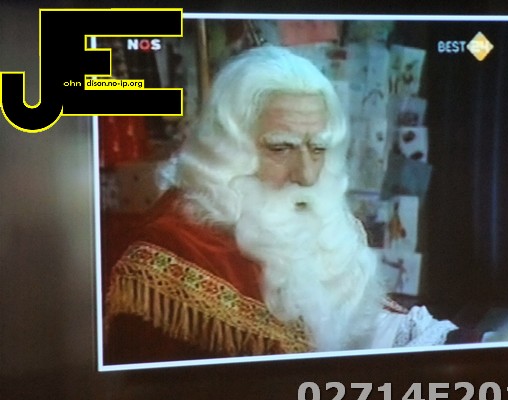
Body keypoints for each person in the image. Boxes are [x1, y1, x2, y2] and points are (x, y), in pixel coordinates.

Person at [104, 46, 459, 365]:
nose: (306, 175)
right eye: (280, 148)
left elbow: (365, 328)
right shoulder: (174, 247)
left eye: (318, 149)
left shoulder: (327, 221)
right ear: (227, 151)